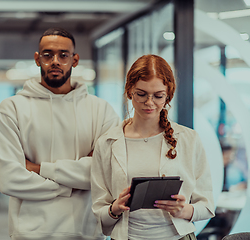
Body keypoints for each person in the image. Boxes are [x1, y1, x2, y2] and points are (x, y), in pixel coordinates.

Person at [0, 27, 120, 240]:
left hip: (85, 231)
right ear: (37, 59)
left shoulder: (101, 110)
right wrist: (72, 185)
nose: (55, 61)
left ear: (75, 60)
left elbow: (105, 173)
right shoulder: (11, 109)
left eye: (63, 55)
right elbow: (8, 178)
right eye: (48, 54)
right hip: (29, 233)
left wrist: (38, 168)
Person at [91, 54, 215, 240]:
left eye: (158, 96)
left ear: (168, 96)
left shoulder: (189, 139)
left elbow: (206, 206)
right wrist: (114, 209)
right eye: (141, 94)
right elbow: (99, 211)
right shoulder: (107, 143)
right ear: (129, 91)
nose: (149, 103)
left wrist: (184, 210)